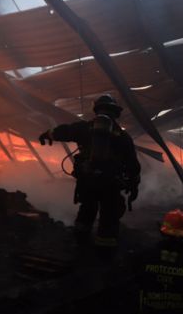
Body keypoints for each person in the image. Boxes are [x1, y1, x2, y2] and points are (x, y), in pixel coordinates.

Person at [38, 94, 141, 248]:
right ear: (115, 112)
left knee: (86, 211)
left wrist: (46, 134)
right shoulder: (123, 136)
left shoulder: (83, 128)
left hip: (88, 181)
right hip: (111, 183)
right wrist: (134, 186)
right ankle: (104, 251)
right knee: (109, 216)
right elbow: (132, 164)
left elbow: (63, 131)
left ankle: (81, 243)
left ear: (97, 110)